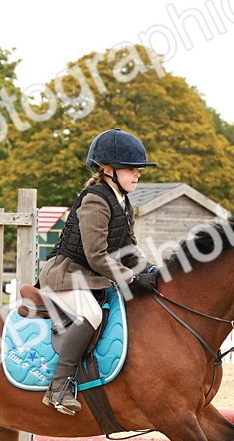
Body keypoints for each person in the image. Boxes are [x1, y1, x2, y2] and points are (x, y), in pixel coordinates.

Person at [37, 128, 158, 414]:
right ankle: (59, 387)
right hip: (66, 274)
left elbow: (128, 249)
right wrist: (131, 277)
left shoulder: (123, 201)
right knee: (90, 313)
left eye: (138, 169)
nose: (137, 174)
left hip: (90, 275)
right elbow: (96, 256)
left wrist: (152, 270)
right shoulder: (95, 200)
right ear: (107, 170)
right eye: (131, 169)